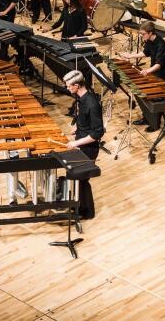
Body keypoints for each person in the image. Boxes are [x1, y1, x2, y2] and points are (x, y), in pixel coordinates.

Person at [64, 70, 105, 219]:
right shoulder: (81, 98)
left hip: (88, 148)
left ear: (76, 85)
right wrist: (77, 128)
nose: (67, 88)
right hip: (81, 142)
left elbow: (97, 133)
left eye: (69, 86)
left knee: (82, 180)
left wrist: (76, 142)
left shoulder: (92, 104)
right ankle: (79, 207)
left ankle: (87, 212)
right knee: (77, 179)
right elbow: (85, 121)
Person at [118, 20, 165, 132]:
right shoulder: (149, 41)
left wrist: (147, 71)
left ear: (150, 33)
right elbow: (146, 53)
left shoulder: (162, 44)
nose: (141, 36)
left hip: (162, 74)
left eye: (143, 34)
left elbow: (159, 64)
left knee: (156, 99)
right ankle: (147, 118)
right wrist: (131, 56)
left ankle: (155, 124)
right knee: (142, 93)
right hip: (153, 72)